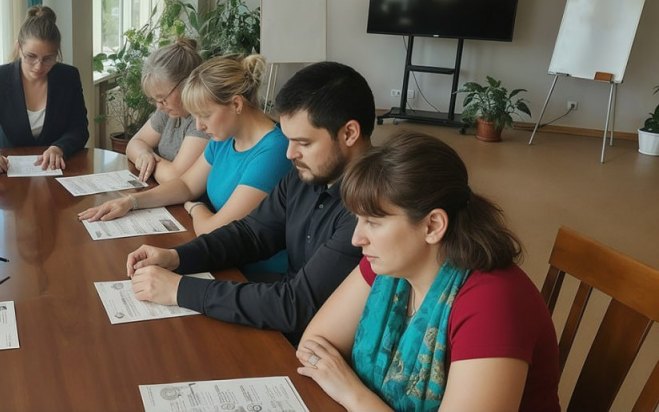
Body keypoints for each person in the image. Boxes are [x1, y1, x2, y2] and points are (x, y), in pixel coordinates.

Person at [293, 131, 560, 411]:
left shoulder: (494, 304)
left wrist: (352, 394)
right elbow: (313, 347)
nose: (356, 238)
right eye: (357, 219)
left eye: (373, 222)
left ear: (433, 225)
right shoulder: (392, 264)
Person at [123, 61, 374, 339]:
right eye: (289, 140)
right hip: (285, 317)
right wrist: (177, 257)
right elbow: (250, 234)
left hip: (315, 340)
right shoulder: (306, 175)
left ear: (349, 134)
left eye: (304, 143)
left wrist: (178, 290)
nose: (290, 154)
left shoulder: (370, 211)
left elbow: (296, 304)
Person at [80, 54, 292, 250]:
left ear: (236, 104)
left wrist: (194, 207)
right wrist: (130, 202)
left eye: (204, 115)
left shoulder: (274, 150)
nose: (198, 126)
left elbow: (214, 231)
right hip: (224, 254)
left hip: (253, 273)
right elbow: (186, 185)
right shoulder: (227, 136)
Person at [0, 5, 89, 173]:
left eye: (48, 59)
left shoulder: (68, 77)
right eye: (31, 57)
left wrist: (60, 147)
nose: (39, 66)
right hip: (8, 172)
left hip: (56, 170)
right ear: (19, 48)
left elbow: (79, 128)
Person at [123, 38, 209, 183]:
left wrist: (149, 166)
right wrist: (144, 154)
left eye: (163, 99)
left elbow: (174, 178)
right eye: (155, 100)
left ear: (187, 84)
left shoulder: (202, 121)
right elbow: (135, 143)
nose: (159, 107)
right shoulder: (169, 111)